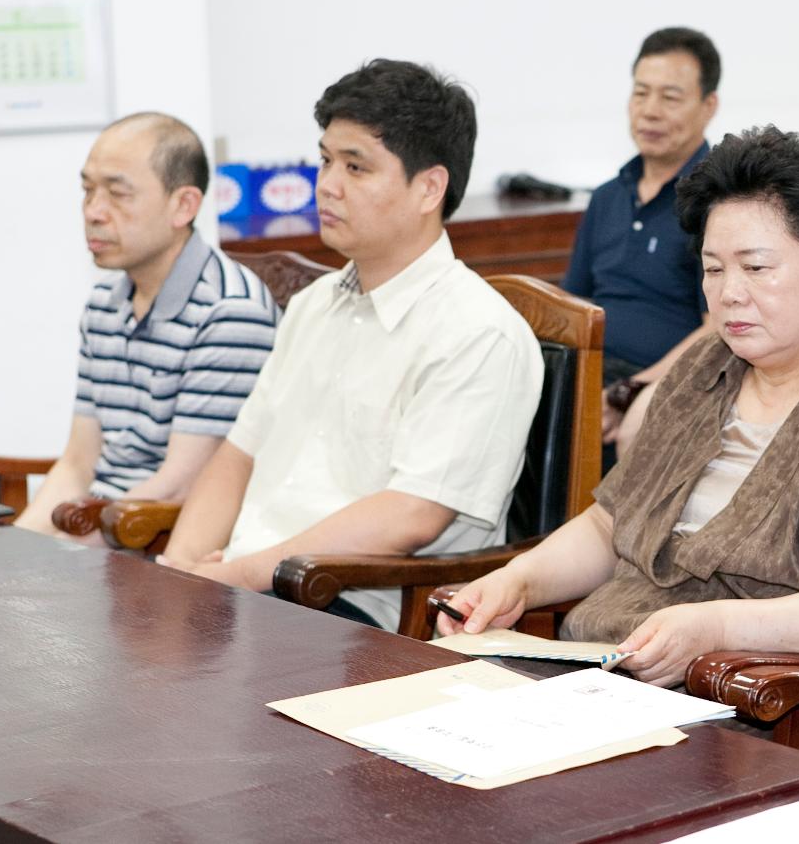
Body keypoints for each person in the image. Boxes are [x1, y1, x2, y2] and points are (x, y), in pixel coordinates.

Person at [439, 126, 799, 687]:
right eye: (713, 268)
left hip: (730, 697)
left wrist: (717, 627)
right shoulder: (701, 369)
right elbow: (611, 523)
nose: (729, 293)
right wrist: (517, 582)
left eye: (756, 267)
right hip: (589, 664)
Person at [157, 60, 544, 630]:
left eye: (356, 167)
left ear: (429, 187)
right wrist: (182, 570)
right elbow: (239, 454)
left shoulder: (477, 332)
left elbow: (413, 515)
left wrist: (238, 578)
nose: (327, 185)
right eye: (325, 160)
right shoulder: (315, 303)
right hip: (250, 588)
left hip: (353, 609)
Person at [16, 113, 278, 538]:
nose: (94, 212)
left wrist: (54, 561)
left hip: (155, 541)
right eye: (87, 190)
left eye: (118, 194)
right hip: (96, 531)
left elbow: (178, 486)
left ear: (184, 205)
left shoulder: (229, 311)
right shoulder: (105, 303)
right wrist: (14, 551)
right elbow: (78, 464)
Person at [561, 27, 720, 464]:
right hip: (590, 376)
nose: (650, 111)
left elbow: (720, 327)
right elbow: (571, 304)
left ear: (709, 106)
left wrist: (630, 392)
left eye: (669, 97)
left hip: (669, 386)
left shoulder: (719, 201)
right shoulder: (608, 196)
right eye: (640, 94)